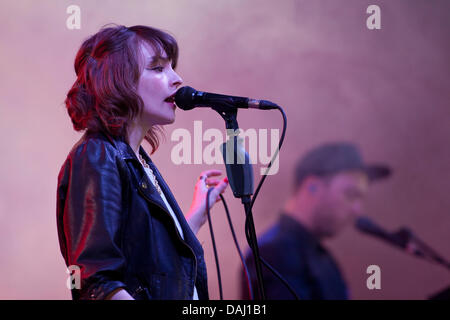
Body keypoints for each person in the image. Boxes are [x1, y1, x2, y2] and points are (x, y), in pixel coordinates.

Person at [56, 24, 228, 300]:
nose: (177, 79)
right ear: (118, 81)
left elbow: (151, 260)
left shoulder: (135, 159)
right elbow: (96, 281)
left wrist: (195, 215)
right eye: (158, 68)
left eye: (172, 67)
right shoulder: (97, 156)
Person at [241, 142, 391, 300]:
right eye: (350, 194)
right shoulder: (275, 252)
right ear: (312, 186)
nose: (357, 209)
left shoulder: (315, 253)